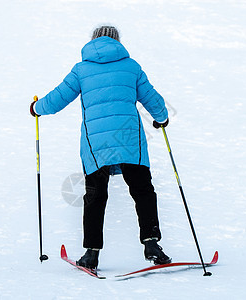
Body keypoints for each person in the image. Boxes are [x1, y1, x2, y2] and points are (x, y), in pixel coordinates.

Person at [30, 25, 171, 269]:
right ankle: (151, 244)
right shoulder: (131, 67)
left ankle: (91, 254)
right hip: (130, 139)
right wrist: (162, 118)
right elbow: (152, 98)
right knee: (142, 191)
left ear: (93, 41)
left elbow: (57, 98)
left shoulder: (81, 70)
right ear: (117, 41)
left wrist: (36, 108)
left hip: (97, 145)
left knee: (95, 196)